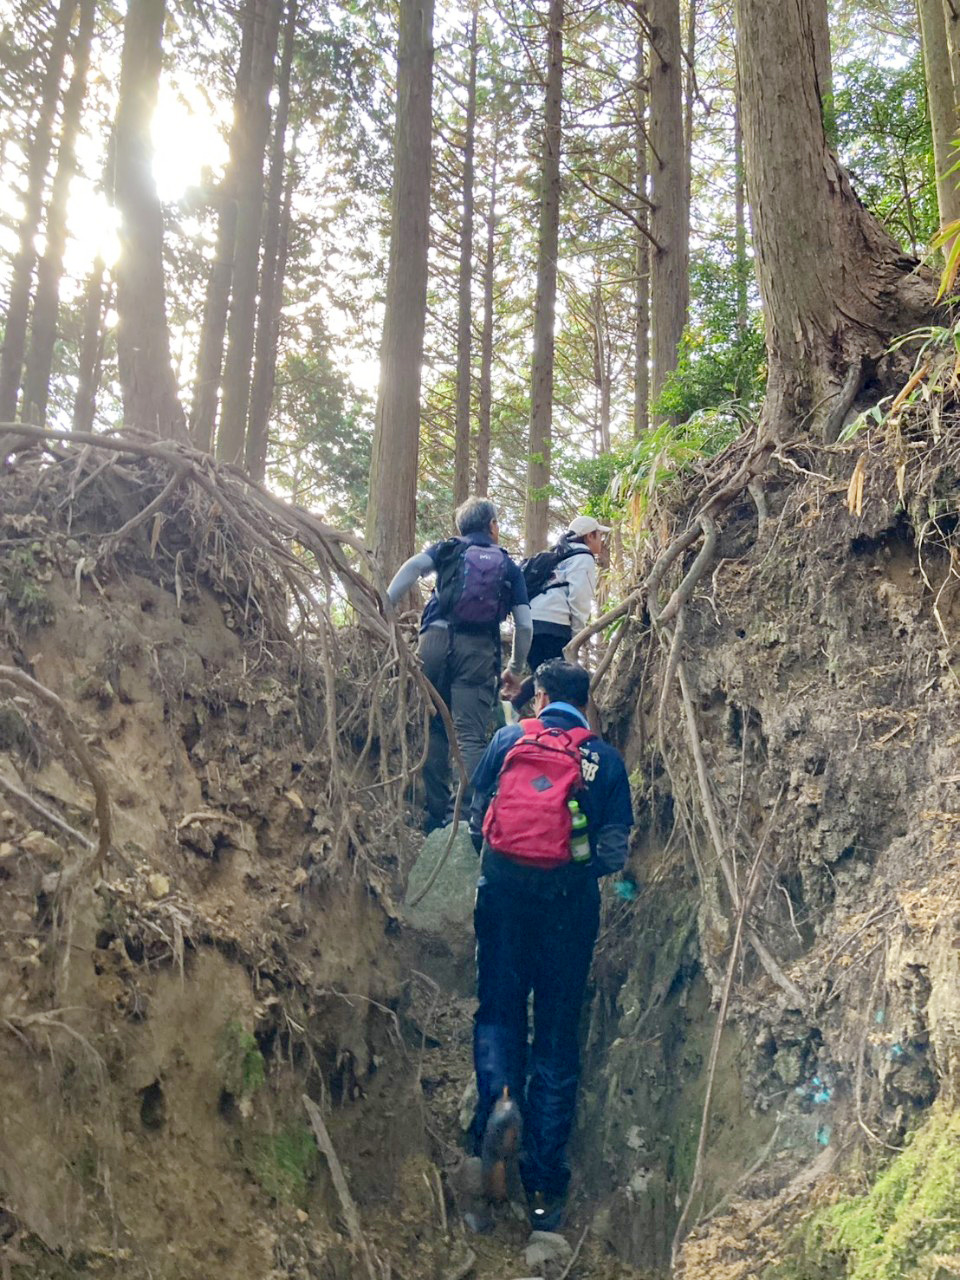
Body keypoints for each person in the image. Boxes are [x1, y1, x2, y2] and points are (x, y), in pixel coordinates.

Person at [466, 659, 634, 1230]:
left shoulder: (508, 739)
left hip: (503, 897)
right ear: (585, 704)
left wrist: (502, 864)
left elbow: (478, 818)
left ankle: (498, 1110)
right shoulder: (605, 761)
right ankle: (543, 1189)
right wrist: (571, 870)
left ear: (539, 698)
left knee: (498, 1012)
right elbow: (613, 853)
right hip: (569, 909)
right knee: (558, 1033)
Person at [386, 497, 532, 833]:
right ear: (492, 526)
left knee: (434, 725)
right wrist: (515, 668)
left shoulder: (448, 549)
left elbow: (412, 568)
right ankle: (467, 818)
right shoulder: (507, 565)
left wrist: (384, 604)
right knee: (469, 735)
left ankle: (434, 816)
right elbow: (524, 625)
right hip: (478, 651)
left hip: (434, 643)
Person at [503, 515, 610, 713]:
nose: (601, 541)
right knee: (555, 678)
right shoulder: (583, 557)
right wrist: (576, 637)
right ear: (589, 536)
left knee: (543, 675)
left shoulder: (559, 554)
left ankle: (511, 707)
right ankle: (513, 709)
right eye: (599, 535)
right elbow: (579, 598)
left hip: (533, 622)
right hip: (554, 625)